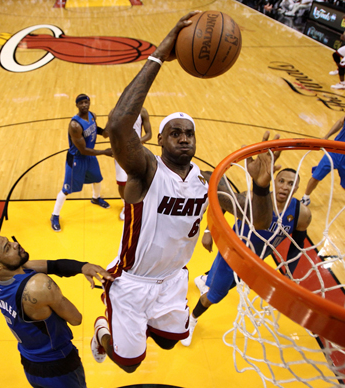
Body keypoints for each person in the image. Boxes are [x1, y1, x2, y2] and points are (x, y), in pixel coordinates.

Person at [89, 12, 280, 373]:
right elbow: (116, 124)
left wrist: (260, 186)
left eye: (189, 133)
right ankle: (104, 327)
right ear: (159, 139)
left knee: (166, 340)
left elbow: (259, 223)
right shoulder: (145, 170)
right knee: (128, 363)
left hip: (174, 279)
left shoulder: (210, 180)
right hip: (132, 281)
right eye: (174, 132)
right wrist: (160, 54)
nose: (183, 137)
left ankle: (141, 326)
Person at [181, 168, 312, 346]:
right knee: (214, 296)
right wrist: (208, 231)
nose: (285, 187)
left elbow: (297, 246)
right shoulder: (252, 199)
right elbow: (223, 204)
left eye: (291, 184)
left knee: (230, 284)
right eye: (281, 181)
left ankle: (205, 278)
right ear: (274, 182)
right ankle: (191, 321)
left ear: (297, 187)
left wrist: (288, 273)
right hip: (232, 254)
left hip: (254, 261)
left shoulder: (301, 214)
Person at [0, 235, 114, 388]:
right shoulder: (38, 285)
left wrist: (82, 266)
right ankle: (101, 334)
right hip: (59, 363)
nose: (15, 244)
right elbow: (76, 319)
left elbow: (53, 266)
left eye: (9, 241)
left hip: (29, 361)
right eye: (7, 248)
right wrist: (53, 295)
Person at [50, 94, 113, 232]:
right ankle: (54, 215)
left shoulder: (92, 115)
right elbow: (83, 150)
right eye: (81, 103)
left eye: (86, 102)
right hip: (77, 158)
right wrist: (104, 152)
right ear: (76, 105)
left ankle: (95, 198)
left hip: (89, 156)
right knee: (67, 189)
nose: (84, 105)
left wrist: (109, 125)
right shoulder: (74, 125)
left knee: (97, 179)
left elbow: (98, 131)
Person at [113, 106, 152, 220]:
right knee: (122, 183)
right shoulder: (117, 111)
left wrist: (133, 142)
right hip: (121, 151)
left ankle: (139, 205)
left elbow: (149, 134)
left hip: (137, 152)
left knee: (139, 181)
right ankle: (126, 206)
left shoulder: (143, 111)